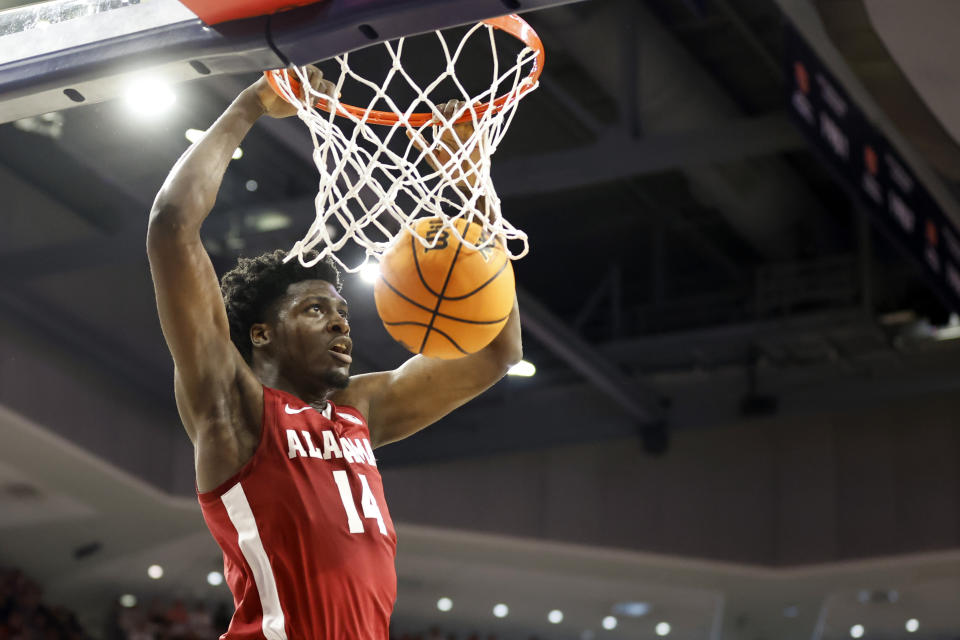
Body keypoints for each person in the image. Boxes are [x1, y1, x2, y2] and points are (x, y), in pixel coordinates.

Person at [146, 68, 522, 639]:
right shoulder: (236, 408)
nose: (341, 323)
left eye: (342, 312)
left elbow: (497, 349)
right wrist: (249, 105)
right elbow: (172, 226)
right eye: (315, 310)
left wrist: (470, 184)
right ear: (261, 334)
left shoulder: (356, 414)